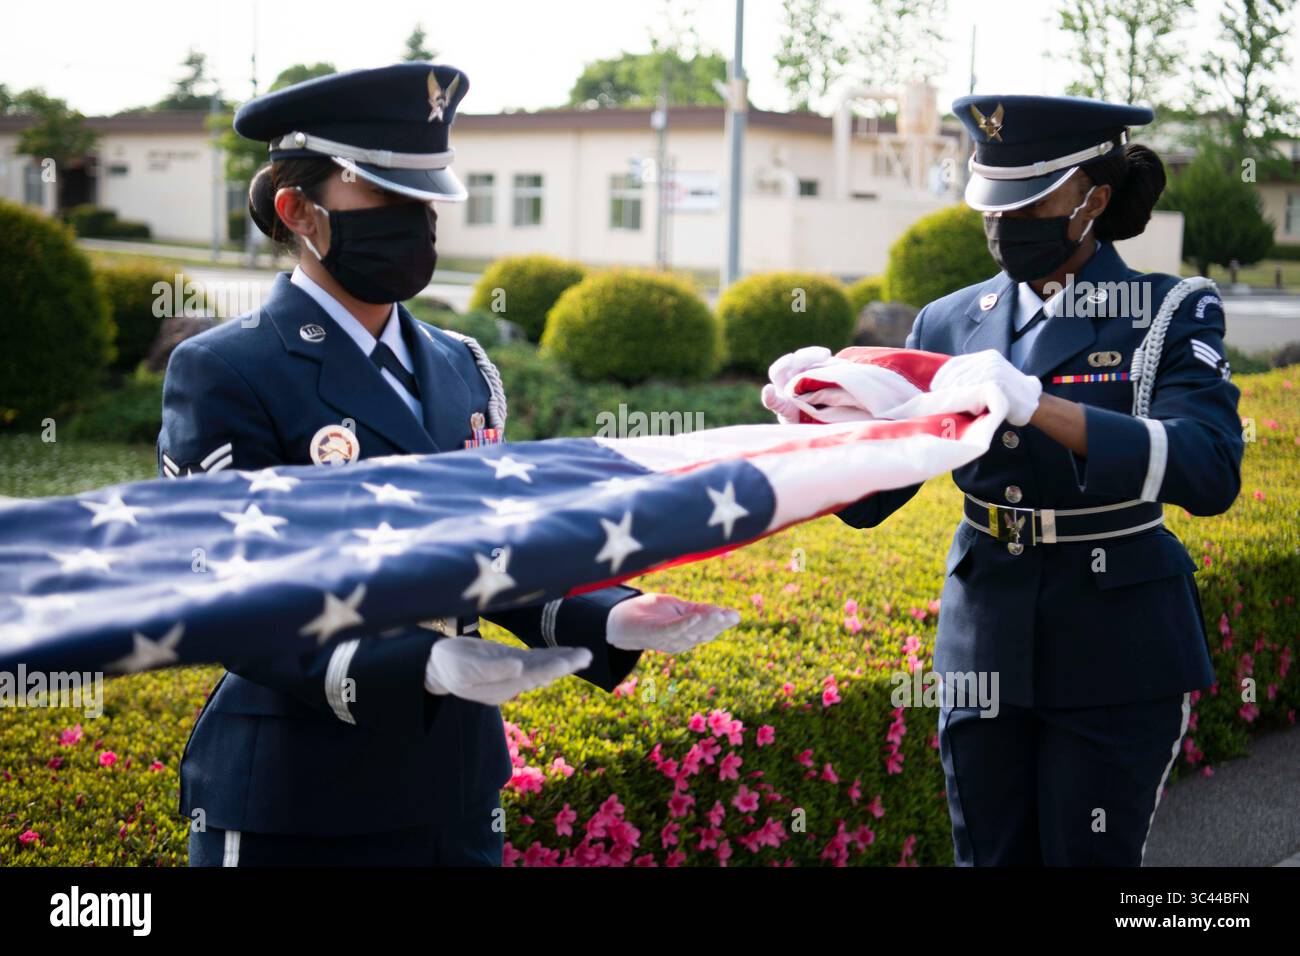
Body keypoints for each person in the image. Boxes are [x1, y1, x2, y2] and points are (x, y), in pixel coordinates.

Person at [159, 63, 739, 866]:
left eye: (424, 197)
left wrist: (609, 614)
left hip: (455, 786)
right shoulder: (228, 370)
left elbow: (497, 551)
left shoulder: (463, 367)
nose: (417, 221)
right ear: (300, 211)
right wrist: (422, 663)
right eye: (385, 196)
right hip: (300, 795)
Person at [832, 95, 1243, 866]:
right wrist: (823, 426)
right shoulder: (949, 321)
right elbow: (874, 500)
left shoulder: (1166, 311)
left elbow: (1210, 466)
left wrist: (1042, 406)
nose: (1002, 226)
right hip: (983, 636)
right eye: (994, 204)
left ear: (1092, 199)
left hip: (1114, 645)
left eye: (1027, 202)